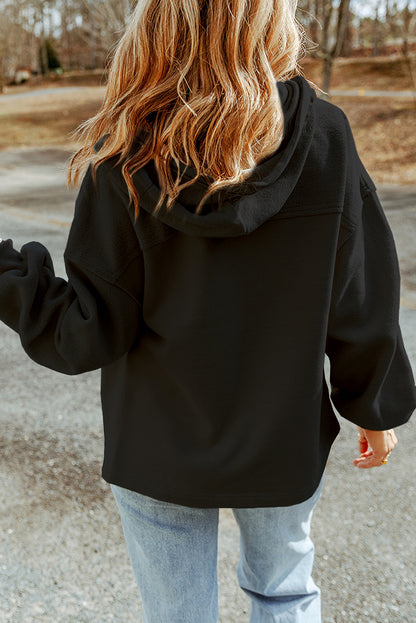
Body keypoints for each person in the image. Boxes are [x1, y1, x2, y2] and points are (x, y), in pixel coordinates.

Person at [0, 0, 415, 621]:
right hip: (284, 439)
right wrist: (374, 407)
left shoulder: (126, 155)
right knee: (286, 594)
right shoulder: (325, 135)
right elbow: (359, 294)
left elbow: (86, 332)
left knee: (177, 614)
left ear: (159, 25)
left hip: (157, 443)